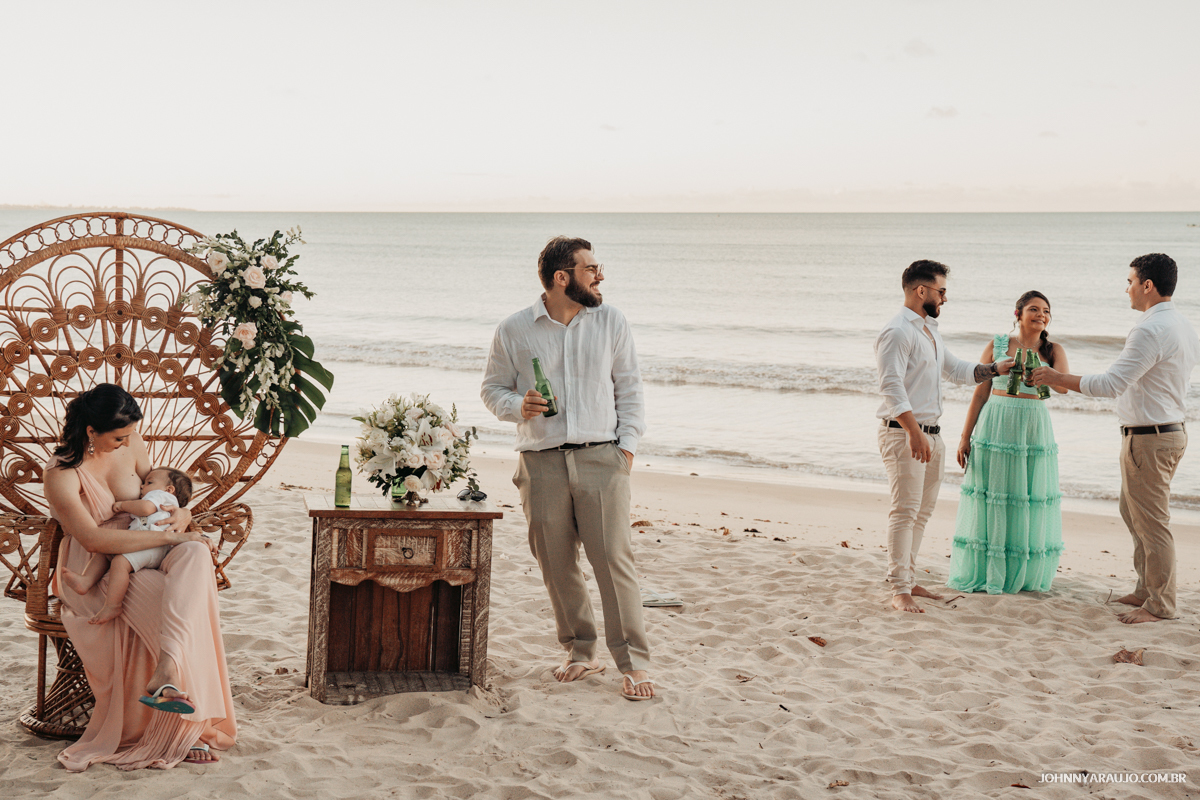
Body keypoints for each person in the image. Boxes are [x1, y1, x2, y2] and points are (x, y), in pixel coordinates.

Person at [481, 236, 653, 699]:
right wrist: (520, 405)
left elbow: (630, 389)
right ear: (563, 277)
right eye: (592, 268)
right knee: (556, 563)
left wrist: (627, 452)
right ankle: (581, 652)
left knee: (613, 562)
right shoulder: (515, 328)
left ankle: (633, 663)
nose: (600, 276)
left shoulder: (611, 320)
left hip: (603, 457)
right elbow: (492, 389)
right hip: (540, 462)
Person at [43, 384, 236, 769]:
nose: (128, 442)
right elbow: (93, 537)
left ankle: (167, 667)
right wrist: (168, 535)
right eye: (119, 437)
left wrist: (184, 515)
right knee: (166, 594)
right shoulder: (60, 474)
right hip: (97, 566)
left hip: (146, 544)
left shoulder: (130, 441)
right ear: (91, 432)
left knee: (196, 553)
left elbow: (164, 491)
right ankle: (185, 728)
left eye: (131, 434)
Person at [1032, 254, 1199, 624]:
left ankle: (1160, 605)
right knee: (1133, 513)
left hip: (1151, 439)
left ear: (1147, 285)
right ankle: (1145, 590)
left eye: (1130, 281)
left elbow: (1110, 384)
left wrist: (1055, 378)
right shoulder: (1183, 324)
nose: (1127, 288)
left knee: (1152, 523)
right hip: (1164, 432)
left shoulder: (1150, 329)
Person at [875, 260, 1014, 613]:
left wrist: (995, 369)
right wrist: (913, 433)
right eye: (941, 291)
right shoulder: (898, 331)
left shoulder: (929, 331)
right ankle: (899, 589)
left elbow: (958, 371)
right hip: (905, 435)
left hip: (932, 435)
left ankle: (908, 576)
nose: (944, 298)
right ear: (920, 291)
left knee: (921, 513)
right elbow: (890, 386)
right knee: (904, 512)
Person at [947, 291, 1068, 594]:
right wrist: (965, 437)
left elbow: (1065, 388)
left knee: (1026, 498)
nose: (1041, 315)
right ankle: (990, 570)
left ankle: (1022, 572)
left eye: (1046, 311)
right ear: (1018, 314)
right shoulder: (998, 344)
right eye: (1033, 309)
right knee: (995, 496)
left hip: (1032, 425)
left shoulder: (1053, 349)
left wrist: (1046, 377)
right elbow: (980, 391)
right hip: (996, 422)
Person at [61, 467, 195, 625]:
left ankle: (113, 605)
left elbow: (145, 509)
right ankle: (85, 581)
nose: (141, 486)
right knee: (105, 551)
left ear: (169, 489)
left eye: (149, 482)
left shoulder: (161, 495)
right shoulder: (162, 497)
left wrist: (123, 505)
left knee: (119, 562)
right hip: (145, 543)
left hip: (153, 546)